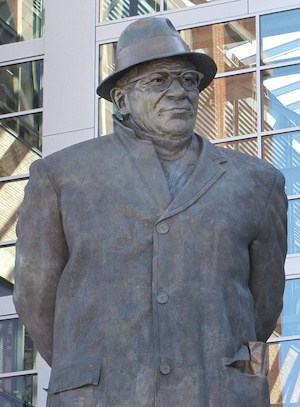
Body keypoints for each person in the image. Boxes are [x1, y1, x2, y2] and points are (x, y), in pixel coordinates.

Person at [13, 17, 287, 407]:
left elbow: (263, 305)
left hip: (216, 393)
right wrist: (90, 364)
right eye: (158, 81)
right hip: (103, 395)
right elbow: (35, 295)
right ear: (122, 99)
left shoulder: (259, 182)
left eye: (188, 81)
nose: (179, 93)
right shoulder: (61, 176)